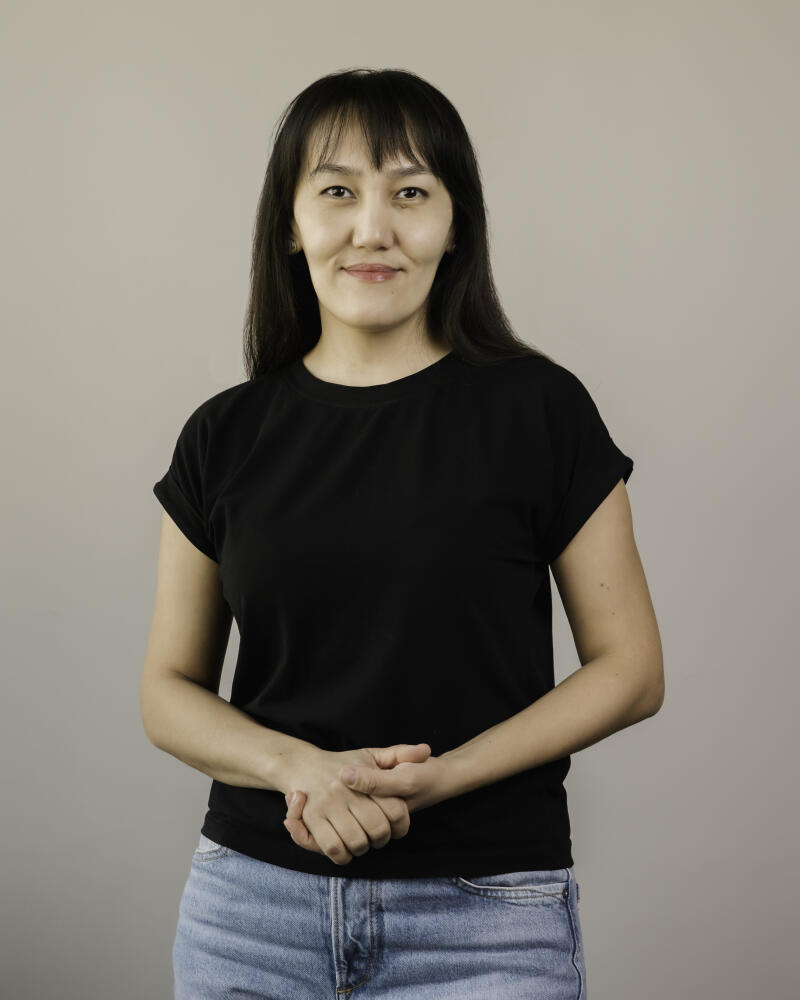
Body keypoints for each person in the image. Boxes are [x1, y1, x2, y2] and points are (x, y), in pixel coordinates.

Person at [143, 67, 664, 999]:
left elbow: (630, 671)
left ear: (455, 223)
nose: (372, 228)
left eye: (411, 193)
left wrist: (442, 778)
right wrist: (298, 769)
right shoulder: (222, 434)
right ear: (290, 226)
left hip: (486, 919)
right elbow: (166, 690)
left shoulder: (540, 410)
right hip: (249, 916)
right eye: (337, 190)